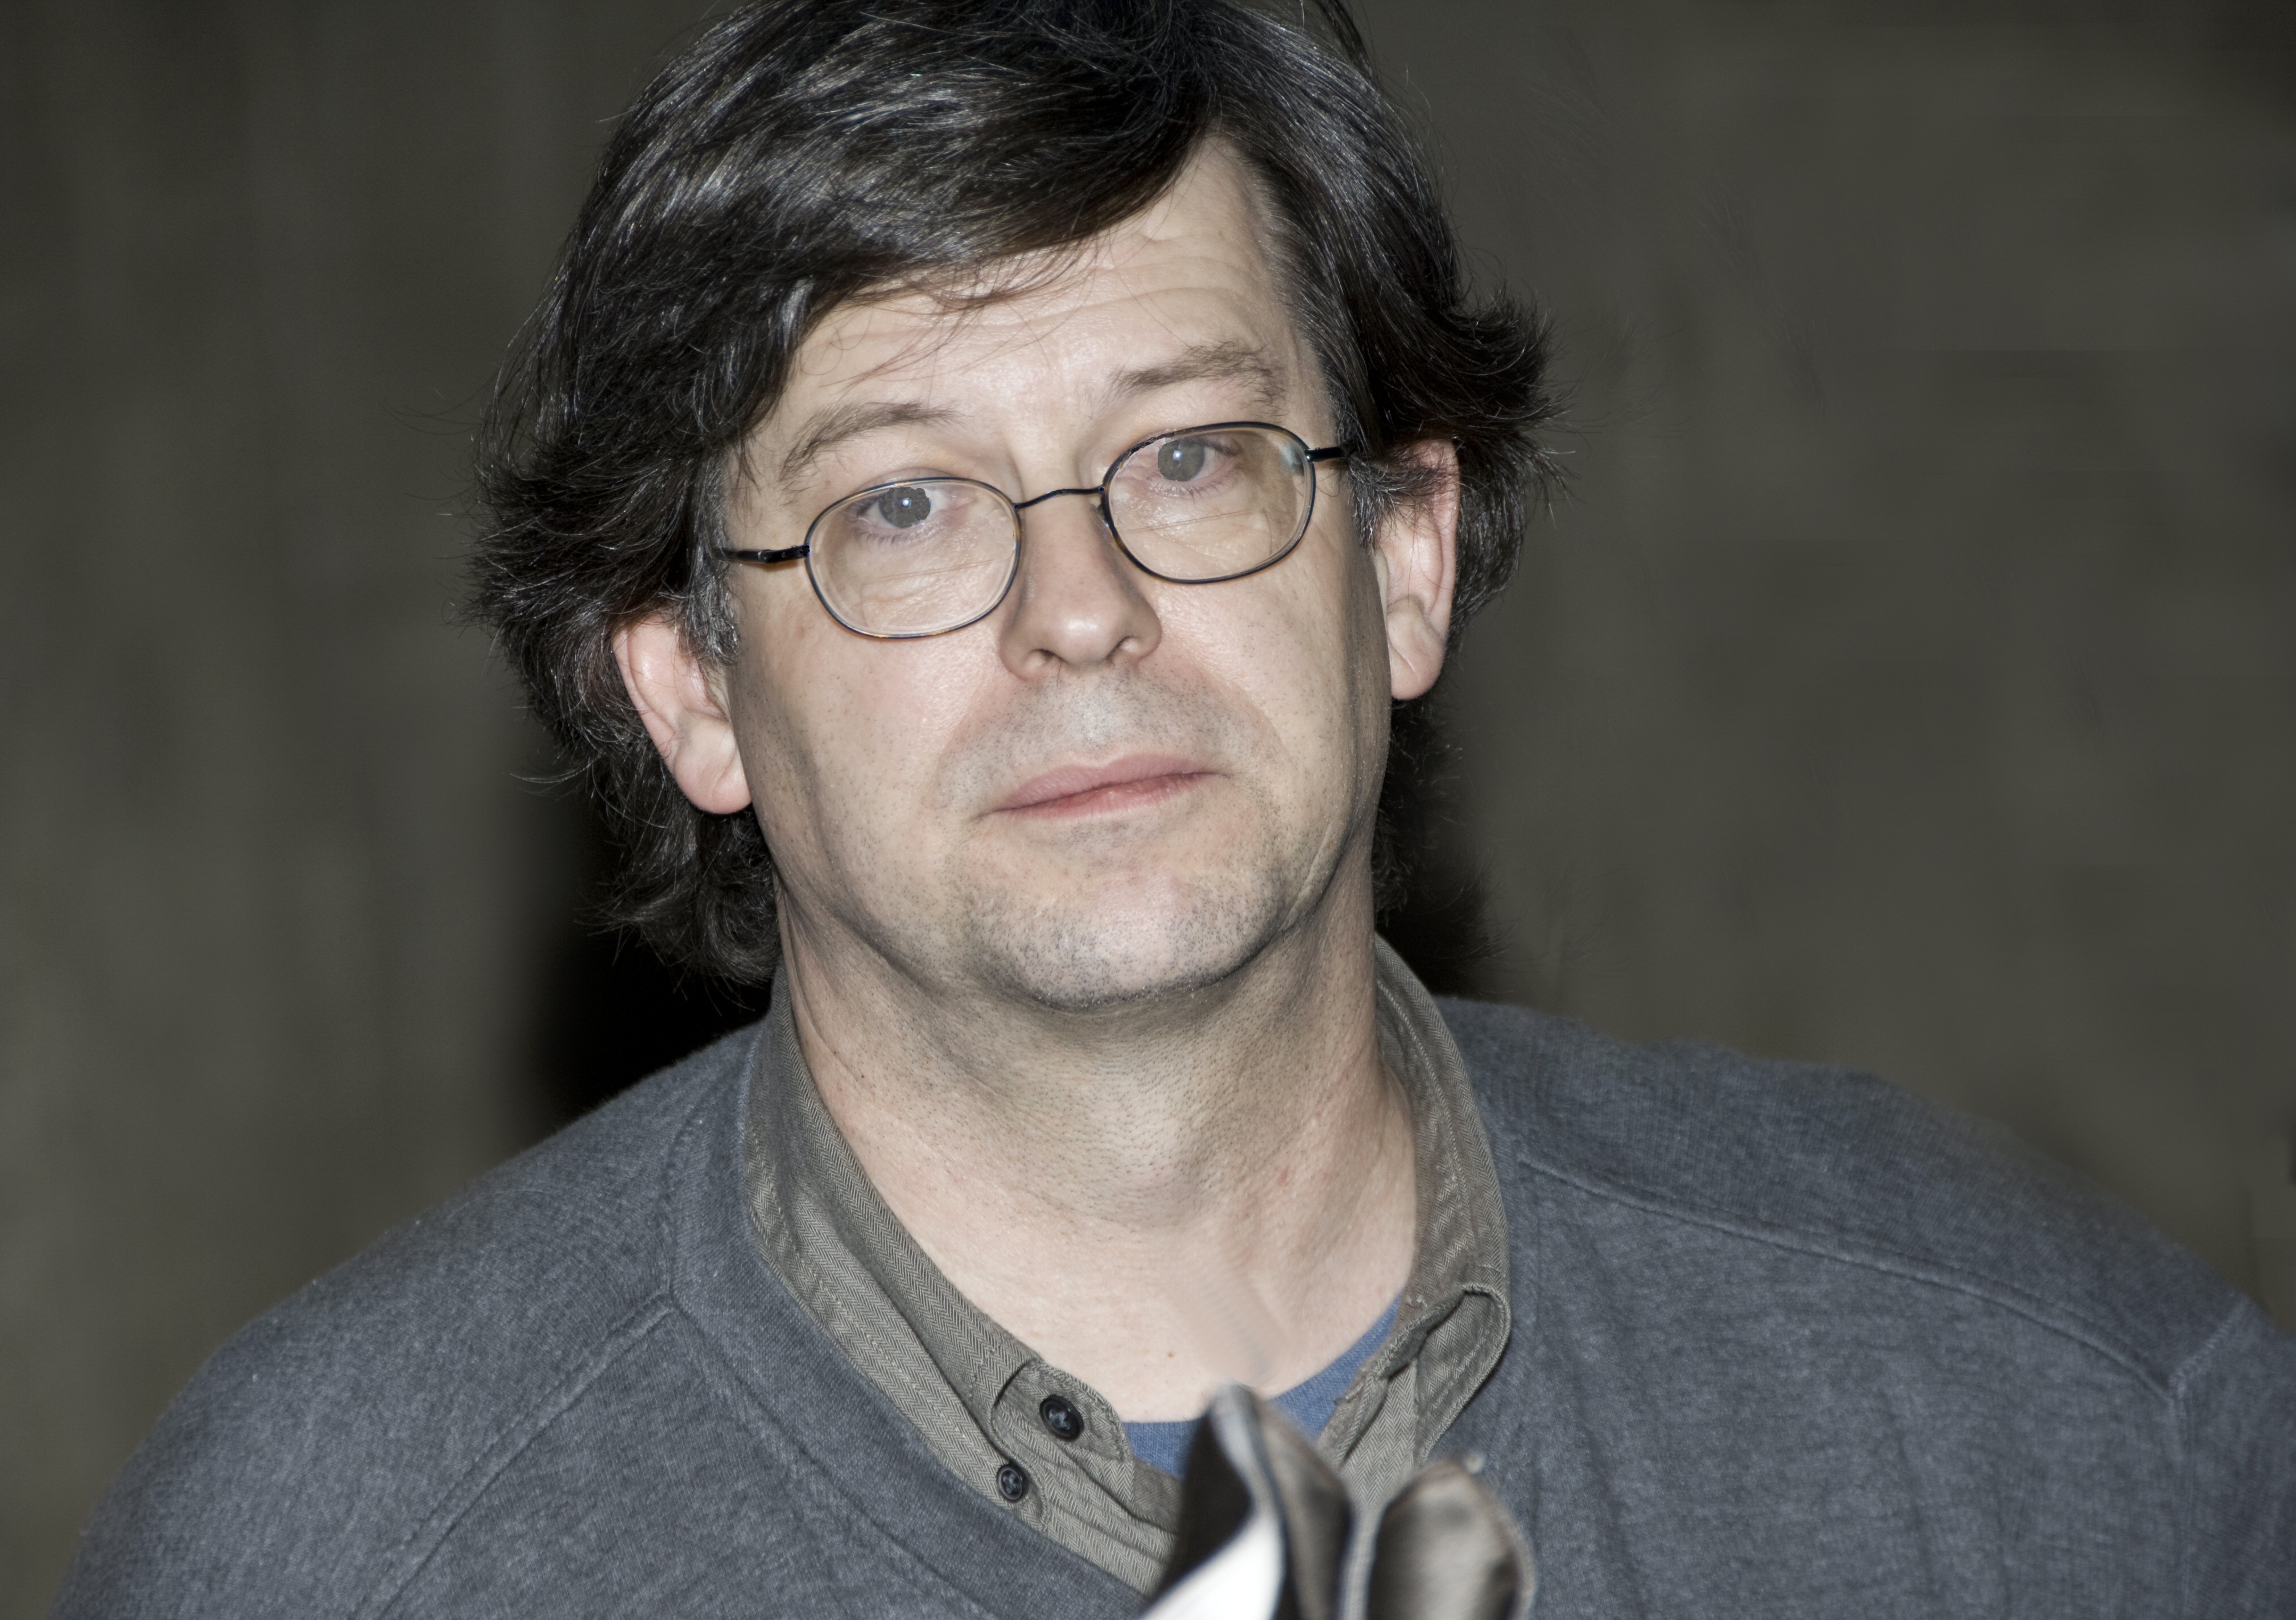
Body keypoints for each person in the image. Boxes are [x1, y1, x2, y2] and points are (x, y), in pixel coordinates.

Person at [55, 2, 2295, 1615]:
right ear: (692, 692)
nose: (1082, 610)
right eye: (903, 502)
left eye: (1193, 457)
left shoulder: (2062, 1432)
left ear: (1401, 558)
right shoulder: (335, 1552)